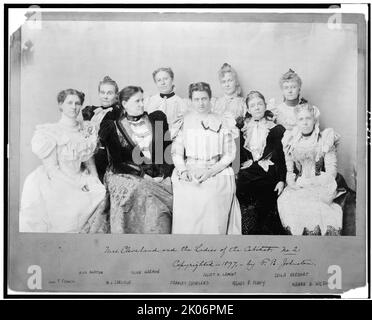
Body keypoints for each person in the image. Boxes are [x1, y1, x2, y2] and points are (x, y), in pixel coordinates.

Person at [19, 89, 107, 233]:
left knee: (100, 192)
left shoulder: (86, 129)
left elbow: (88, 159)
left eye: (77, 103)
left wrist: (95, 178)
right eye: (69, 103)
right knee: (70, 206)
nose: (74, 107)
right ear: (61, 105)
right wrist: (76, 185)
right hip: (57, 179)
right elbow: (52, 169)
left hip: (80, 175)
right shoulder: (51, 132)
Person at [99, 86, 173, 233]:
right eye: (136, 101)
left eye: (142, 100)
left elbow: (166, 152)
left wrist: (162, 173)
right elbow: (117, 163)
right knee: (141, 189)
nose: (141, 104)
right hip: (125, 172)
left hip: (156, 172)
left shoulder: (155, 119)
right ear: (125, 104)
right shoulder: (114, 127)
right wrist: (144, 175)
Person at [171, 82, 241, 234]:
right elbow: (176, 151)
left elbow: (229, 153)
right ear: (191, 100)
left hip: (215, 169)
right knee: (188, 193)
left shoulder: (222, 120)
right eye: (196, 99)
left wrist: (210, 172)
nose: (201, 103)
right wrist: (183, 170)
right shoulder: (185, 121)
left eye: (204, 98)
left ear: (210, 99)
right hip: (189, 169)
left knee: (210, 195)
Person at [277, 102, 343, 235]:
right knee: (289, 203)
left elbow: (331, 171)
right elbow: (290, 169)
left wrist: (316, 182)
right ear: (296, 121)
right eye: (301, 119)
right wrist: (292, 182)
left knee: (315, 208)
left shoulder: (325, 138)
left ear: (314, 120)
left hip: (321, 183)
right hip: (300, 183)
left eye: (308, 118)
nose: (305, 122)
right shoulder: (290, 139)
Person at [236, 91, 286, 235]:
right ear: (248, 110)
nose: (257, 108)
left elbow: (281, 158)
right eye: (253, 105)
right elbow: (236, 154)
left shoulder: (276, 129)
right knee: (245, 195)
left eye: (259, 104)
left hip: (268, 172)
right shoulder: (242, 128)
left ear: (265, 106)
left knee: (266, 203)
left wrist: (281, 180)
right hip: (248, 172)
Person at [82, 76, 123, 182]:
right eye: (102, 92)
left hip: (108, 157)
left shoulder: (119, 113)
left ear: (116, 95)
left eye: (109, 93)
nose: (105, 96)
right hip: (86, 153)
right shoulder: (91, 111)